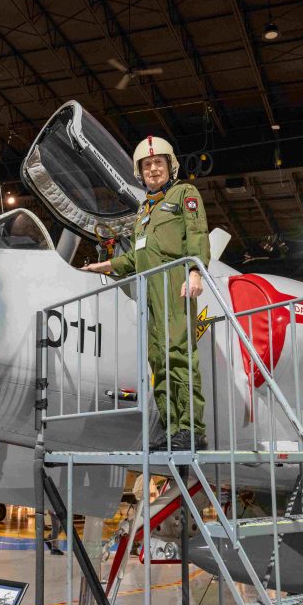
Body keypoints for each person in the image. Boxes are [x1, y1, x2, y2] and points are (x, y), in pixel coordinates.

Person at [84, 135, 210, 451]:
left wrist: (195, 271)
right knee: (158, 359)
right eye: (147, 165)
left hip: (174, 282)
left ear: (170, 166)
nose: (153, 169)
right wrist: (106, 266)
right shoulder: (144, 210)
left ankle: (192, 429)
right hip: (148, 289)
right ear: (140, 172)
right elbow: (136, 257)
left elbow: (197, 234)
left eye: (158, 163)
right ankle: (171, 429)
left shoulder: (185, 194)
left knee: (178, 353)